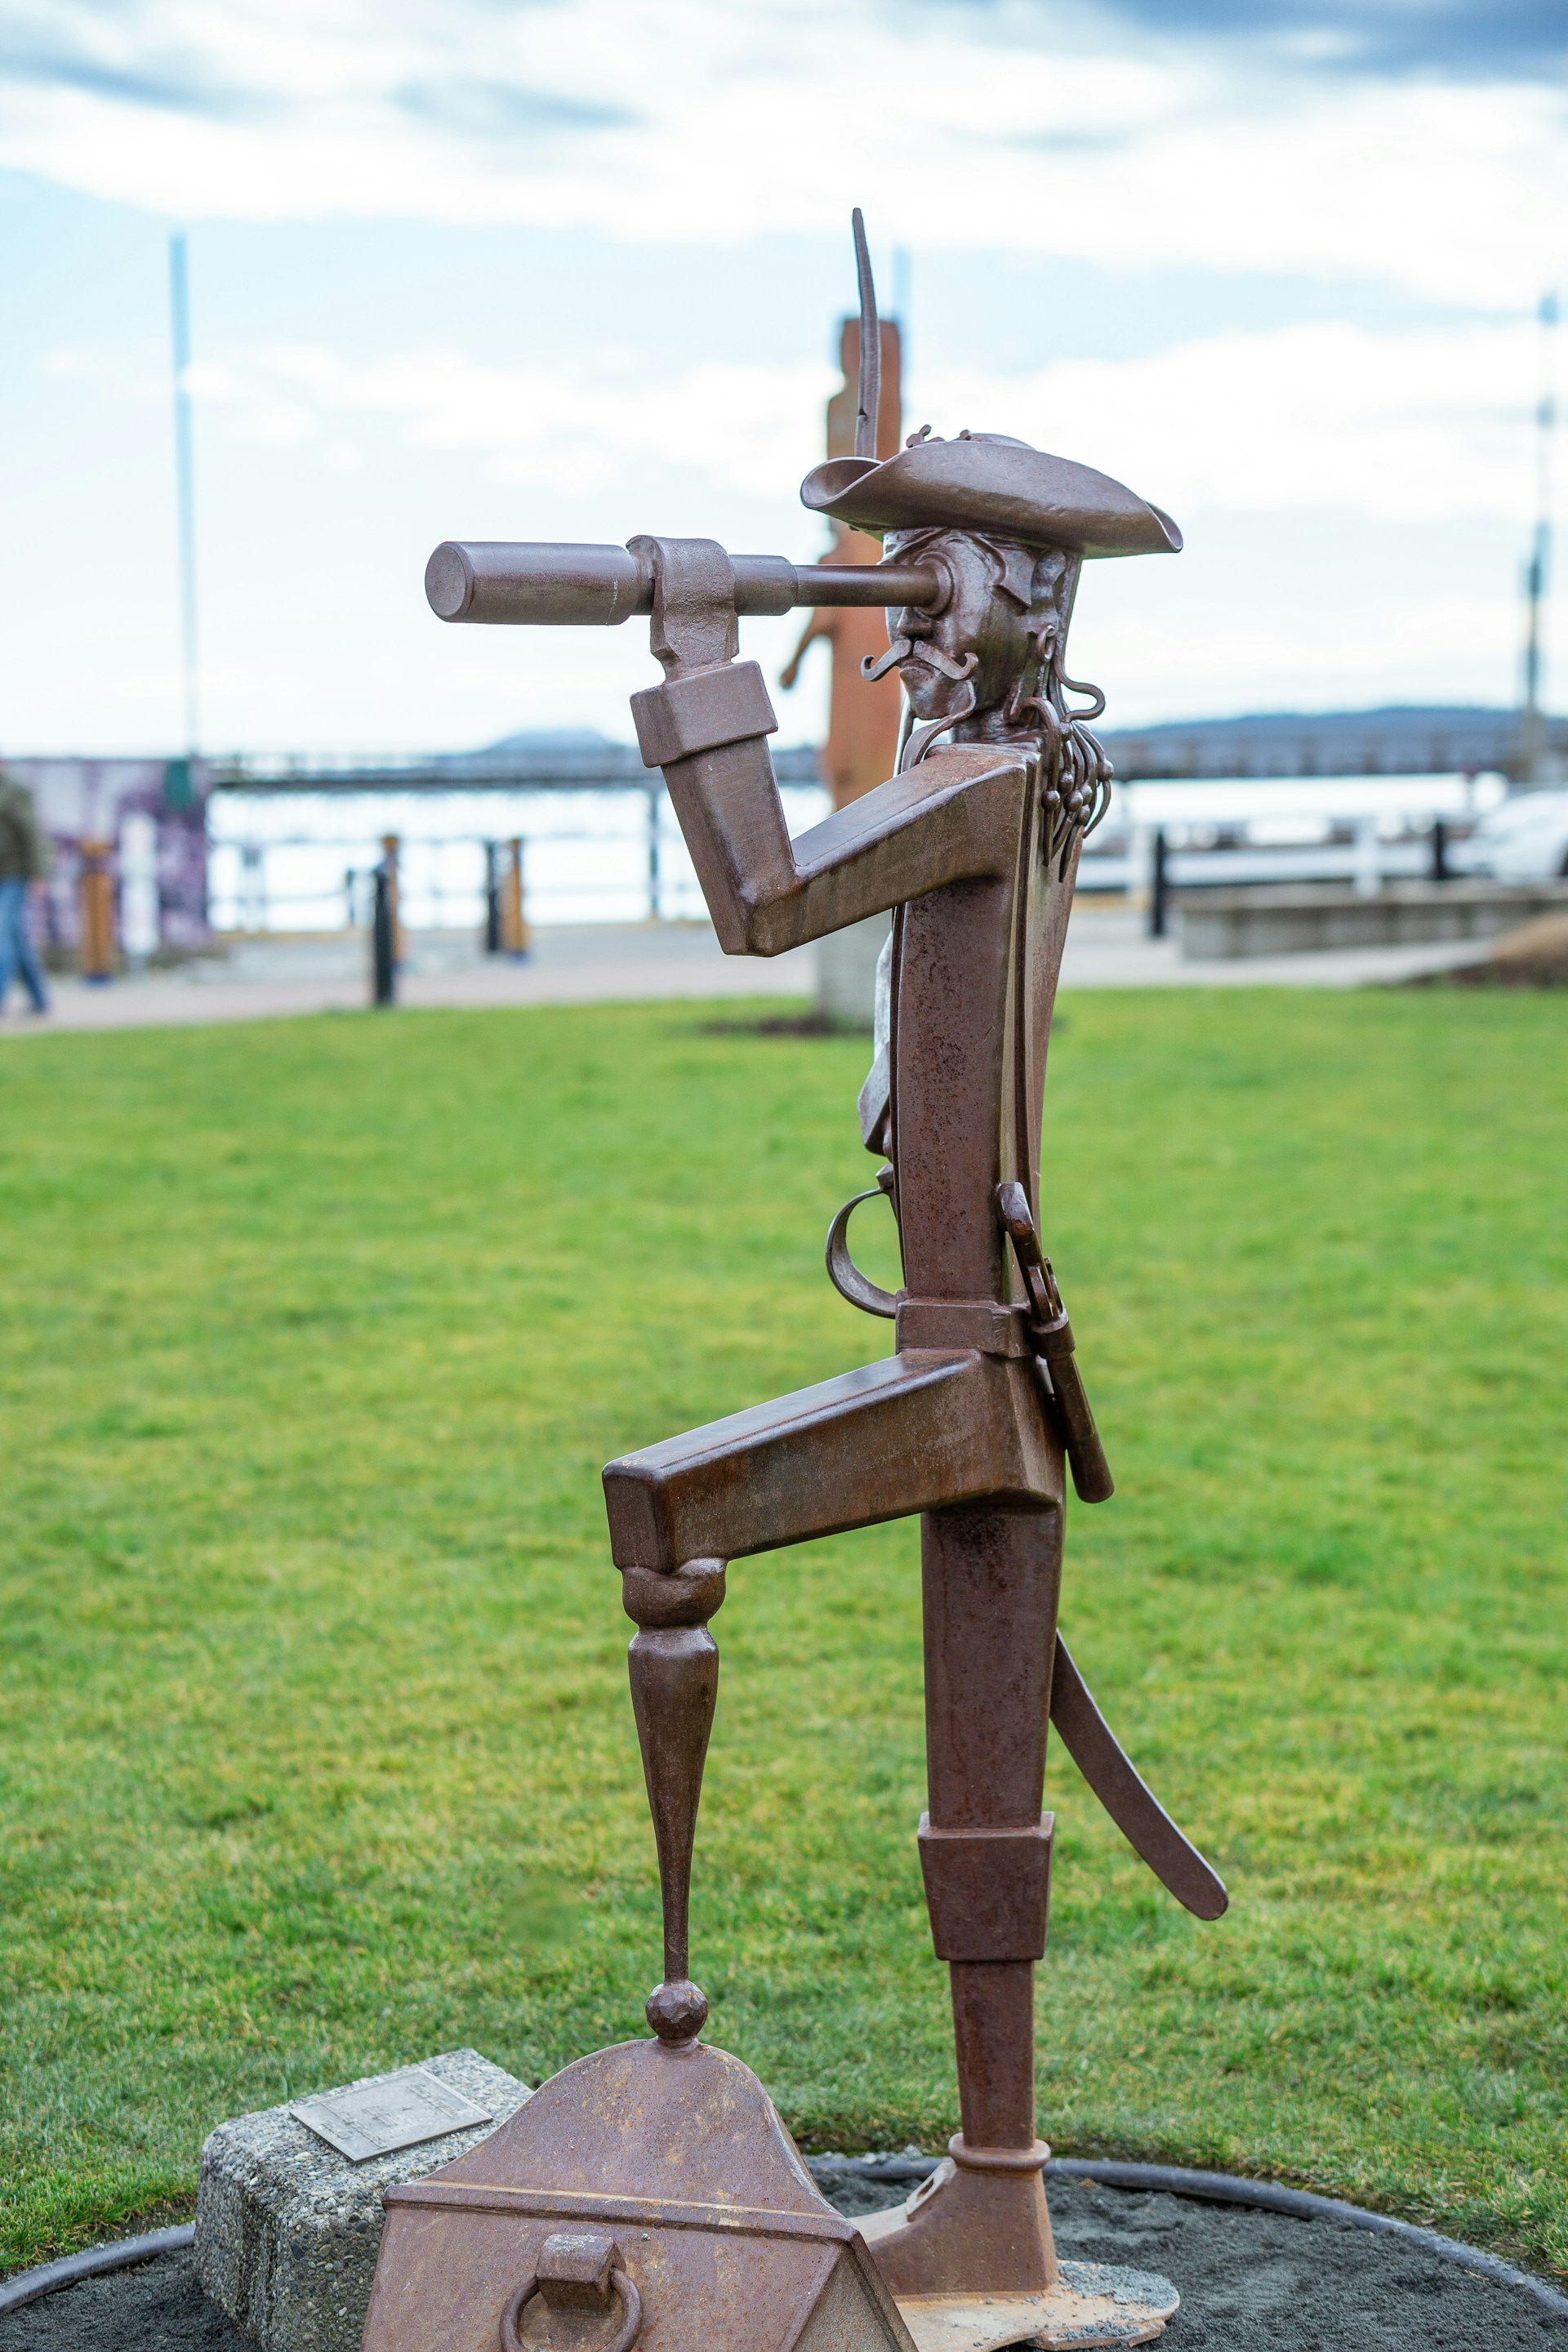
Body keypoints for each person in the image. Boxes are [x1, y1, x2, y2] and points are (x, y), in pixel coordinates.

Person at [0, 768, 52, 1015]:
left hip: (14, 873)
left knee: (3, 933)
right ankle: (39, 999)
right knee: (15, 938)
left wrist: (39, 873)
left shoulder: (13, 792)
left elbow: (31, 833)